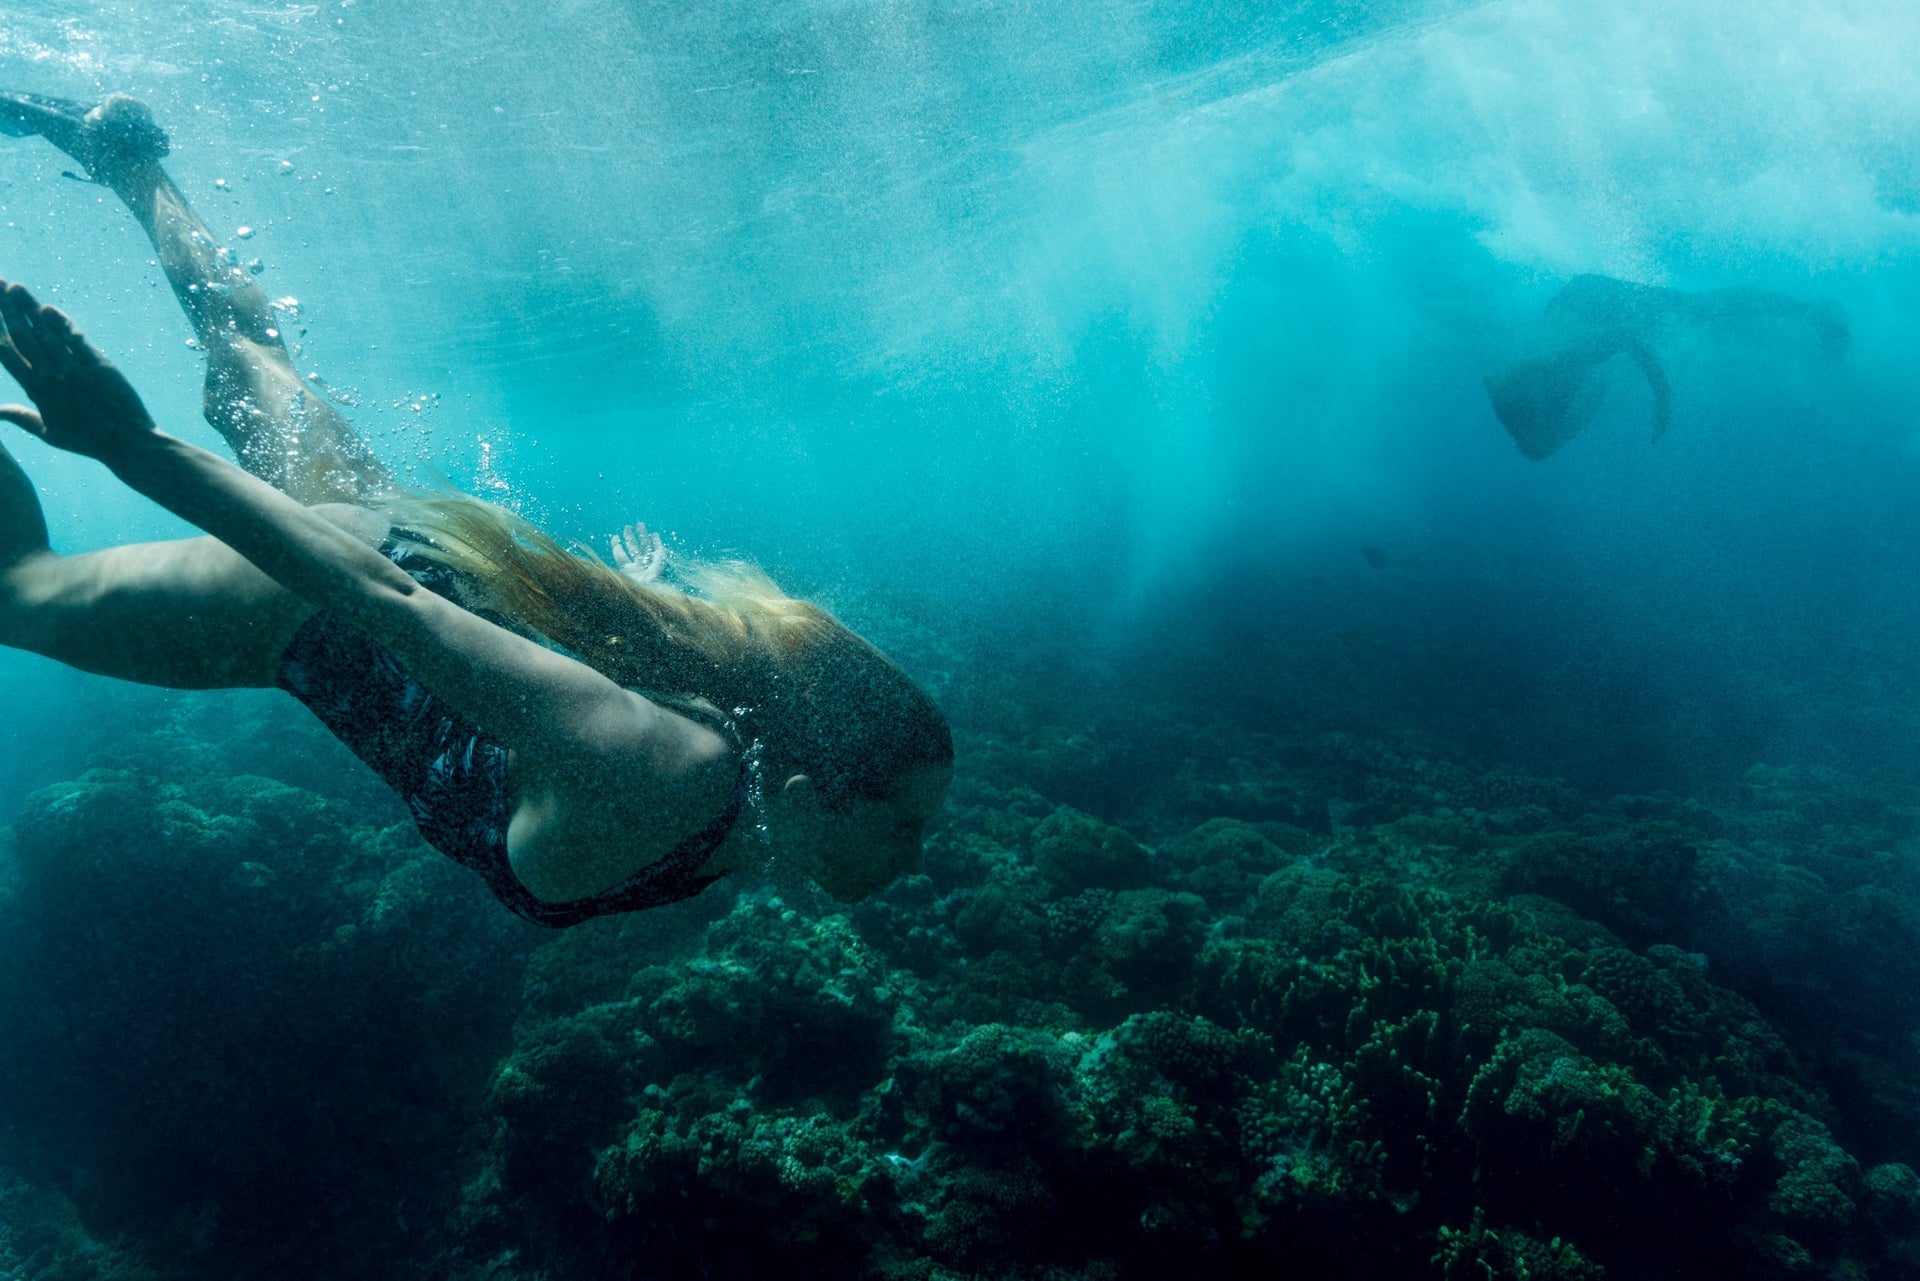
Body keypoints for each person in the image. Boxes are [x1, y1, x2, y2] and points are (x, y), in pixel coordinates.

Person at [0, 93, 953, 925]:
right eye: (905, 825)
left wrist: (640, 600)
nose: (917, 859)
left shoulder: (719, 764)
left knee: (250, 353)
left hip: (403, 548)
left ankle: (124, 152)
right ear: (805, 794)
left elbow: (560, 681)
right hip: (317, 601)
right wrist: (134, 452)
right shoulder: (660, 778)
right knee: (16, 585)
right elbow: (389, 606)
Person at [1485, 273, 1848, 461]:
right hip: (1573, 309)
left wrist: (1662, 397)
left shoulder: (1557, 371)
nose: (1565, 438)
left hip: (1592, 302)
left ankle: (1813, 309)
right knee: (1680, 321)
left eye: (1555, 439)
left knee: (1695, 308)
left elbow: (1625, 336)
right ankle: (1767, 317)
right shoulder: (1518, 407)